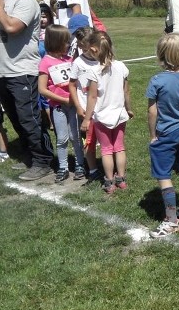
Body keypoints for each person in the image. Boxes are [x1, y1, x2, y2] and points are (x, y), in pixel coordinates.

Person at [0, 0, 54, 180]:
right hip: (3, 72)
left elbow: (12, 28)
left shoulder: (24, 1)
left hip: (22, 71)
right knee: (16, 119)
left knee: (29, 118)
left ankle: (43, 160)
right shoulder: (2, 1)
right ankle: (31, 156)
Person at [146, 34, 179, 237]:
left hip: (166, 132)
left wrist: (153, 134)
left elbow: (152, 112)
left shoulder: (157, 81)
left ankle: (172, 219)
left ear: (161, 55)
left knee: (164, 175)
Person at [80, 31, 132, 194]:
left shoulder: (94, 71)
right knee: (119, 148)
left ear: (94, 50)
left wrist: (87, 119)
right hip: (119, 115)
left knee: (106, 150)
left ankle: (109, 182)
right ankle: (121, 179)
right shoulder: (121, 67)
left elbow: (92, 97)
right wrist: (128, 108)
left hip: (102, 117)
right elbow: (126, 92)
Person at [38, 25, 85, 183]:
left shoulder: (70, 60)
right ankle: (63, 167)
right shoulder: (45, 63)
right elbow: (42, 89)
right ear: (57, 42)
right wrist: (63, 99)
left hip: (73, 105)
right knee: (62, 138)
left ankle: (80, 165)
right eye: (66, 42)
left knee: (76, 136)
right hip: (58, 107)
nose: (68, 45)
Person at [68, 26, 103, 185]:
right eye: (81, 46)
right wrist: (78, 107)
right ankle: (93, 169)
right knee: (88, 141)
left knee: (105, 140)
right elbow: (72, 85)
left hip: (102, 108)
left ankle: (110, 166)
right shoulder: (78, 63)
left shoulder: (102, 60)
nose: (83, 49)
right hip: (85, 109)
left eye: (85, 45)